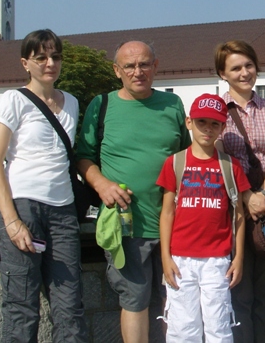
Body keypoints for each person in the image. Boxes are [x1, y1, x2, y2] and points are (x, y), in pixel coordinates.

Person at [76, 40, 191, 343]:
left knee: (177, 299)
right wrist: (101, 184)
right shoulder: (102, 105)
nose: (137, 71)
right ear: (117, 70)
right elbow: (83, 156)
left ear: (156, 66)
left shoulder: (173, 104)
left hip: (174, 223)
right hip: (126, 224)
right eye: (129, 66)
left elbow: (186, 156)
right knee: (135, 300)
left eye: (144, 64)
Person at [0, 29, 88, 342]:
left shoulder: (71, 102)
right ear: (25, 63)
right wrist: (12, 221)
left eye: (55, 56)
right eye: (41, 57)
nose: (50, 63)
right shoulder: (14, 99)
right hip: (23, 208)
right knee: (22, 308)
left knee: (70, 307)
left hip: (63, 212)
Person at [214, 40, 265, 343]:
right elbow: (217, 157)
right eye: (235, 68)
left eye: (249, 65)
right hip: (234, 207)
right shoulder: (216, 110)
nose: (244, 73)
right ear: (223, 73)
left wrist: (263, 195)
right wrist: (246, 196)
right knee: (239, 293)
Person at [157, 94, 248, 343]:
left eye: (214, 124)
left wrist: (238, 257)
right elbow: (167, 213)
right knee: (182, 328)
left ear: (222, 127)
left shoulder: (230, 166)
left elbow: (239, 215)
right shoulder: (175, 163)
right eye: (201, 122)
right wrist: (165, 256)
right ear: (189, 122)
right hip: (180, 259)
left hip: (217, 260)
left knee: (219, 327)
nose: (207, 129)